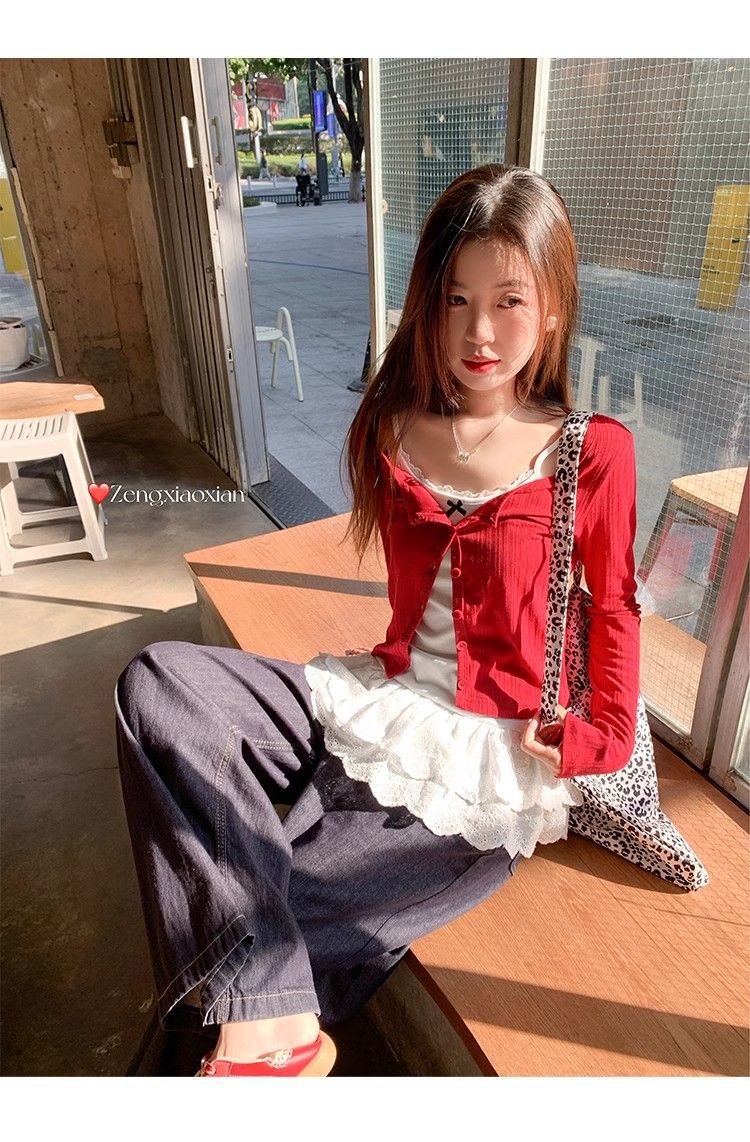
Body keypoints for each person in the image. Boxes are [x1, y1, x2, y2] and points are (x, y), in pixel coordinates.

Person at [114, 164, 641, 1078]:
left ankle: (252, 1041)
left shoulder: (592, 452)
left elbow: (618, 606)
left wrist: (600, 738)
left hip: (483, 760)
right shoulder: (391, 427)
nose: (479, 332)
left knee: (257, 937)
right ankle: (271, 1020)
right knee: (162, 681)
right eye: (455, 300)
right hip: (375, 699)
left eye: (510, 300)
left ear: (554, 308)